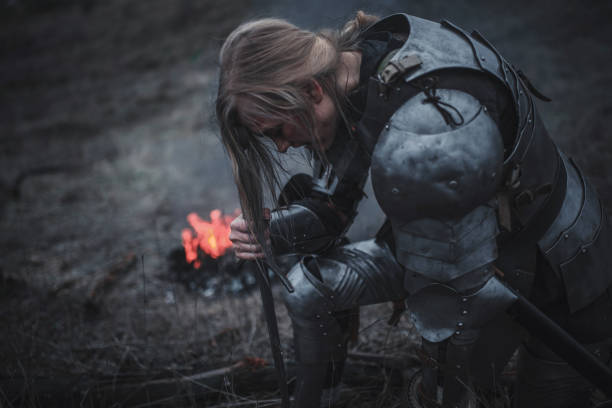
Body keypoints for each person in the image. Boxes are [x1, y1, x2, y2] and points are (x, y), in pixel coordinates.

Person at [216, 11, 612, 408]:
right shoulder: (355, 75)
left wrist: (435, 395)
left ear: (312, 91)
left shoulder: (425, 126)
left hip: (554, 275)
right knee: (308, 289)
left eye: (278, 131)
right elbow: (331, 206)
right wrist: (271, 231)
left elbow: (448, 299)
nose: (282, 147)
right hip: (470, 253)